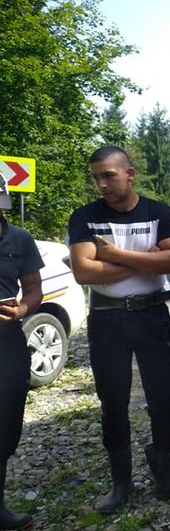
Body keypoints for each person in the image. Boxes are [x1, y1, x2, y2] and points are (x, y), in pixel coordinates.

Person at [68, 146, 170, 514]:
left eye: (108, 176)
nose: (101, 184)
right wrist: (147, 260)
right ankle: (121, 486)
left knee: (163, 398)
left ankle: (168, 477)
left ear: (129, 174)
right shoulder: (85, 216)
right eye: (96, 178)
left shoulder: (158, 211)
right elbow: (84, 271)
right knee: (113, 402)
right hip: (107, 319)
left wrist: (115, 256)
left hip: (151, 315)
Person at [0, 176, 42, 530]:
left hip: (7, 339)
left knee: (6, 423)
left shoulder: (20, 239)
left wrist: (23, 309)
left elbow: (33, 288)